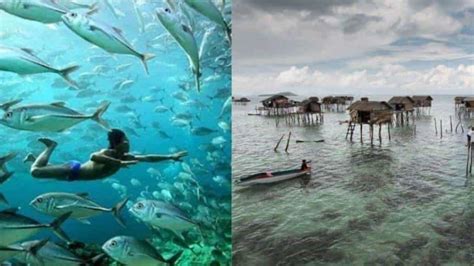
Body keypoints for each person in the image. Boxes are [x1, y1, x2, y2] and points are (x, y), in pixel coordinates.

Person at [24, 129, 187, 181]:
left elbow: (148, 158)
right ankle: (51, 146)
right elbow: (94, 156)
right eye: (126, 140)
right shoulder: (107, 152)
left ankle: (35, 158)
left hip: (74, 177)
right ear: (118, 143)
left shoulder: (125, 157)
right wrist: (118, 163)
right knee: (35, 172)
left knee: (45, 170)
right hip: (73, 170)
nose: (128, 143)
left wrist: (170, 157)